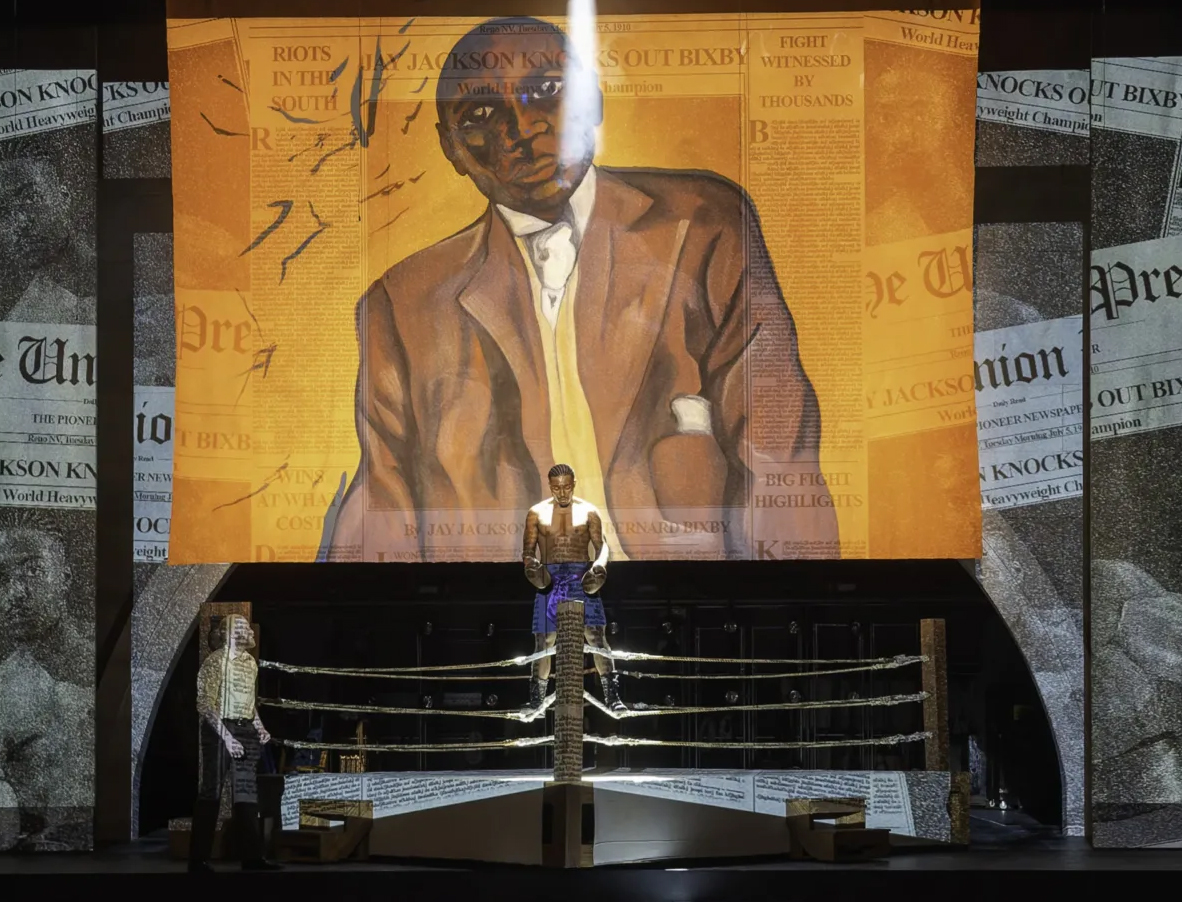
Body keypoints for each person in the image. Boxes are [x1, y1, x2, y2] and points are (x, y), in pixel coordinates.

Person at [327, 16, 835, 564]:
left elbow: (781, 465)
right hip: (496, 620)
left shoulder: (706, 225)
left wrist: (782, 622)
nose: (522, 128)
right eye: (479, 114)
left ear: (592, 98)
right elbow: (382, 511)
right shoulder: (402, 301)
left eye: (547, 89)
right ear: (451, 148)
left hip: (681, 613)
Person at [0, 521, 93, 851]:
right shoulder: (7, 688)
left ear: (65, 577)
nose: (12, 593)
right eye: (1, 577)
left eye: (33, 570)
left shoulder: (127, 668)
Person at [523, 463, 623, 713]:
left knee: (596, 636)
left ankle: (613, 696)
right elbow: (527, 550)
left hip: (581, 575)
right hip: (550, 577)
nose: (562, 492)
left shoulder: (589, 511)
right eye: (557, 488)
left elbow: (602, 546)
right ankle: (537, 700)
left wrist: (600, 566)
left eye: (567, 487)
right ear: (550, 486)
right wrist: (532, 568)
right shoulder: (536, 512)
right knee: (544, 640)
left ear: (574, 483)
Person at [188, 614, 281, 872]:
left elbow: (249, 702)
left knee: (247, 794)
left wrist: (259, 727)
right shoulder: (214, 662)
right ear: (228, 633)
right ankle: (198, 860)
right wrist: (227, 739)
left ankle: (252, 857)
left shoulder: (250, 663)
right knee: (211, 792)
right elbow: (205, 705)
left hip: (244, 727)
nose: (249, 630)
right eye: (242, 626)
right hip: (220, 728)